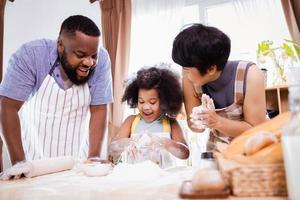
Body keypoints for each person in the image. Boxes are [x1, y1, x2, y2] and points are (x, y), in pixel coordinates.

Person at [0, 15, 113, 178]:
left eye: (93, 56)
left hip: (77, 160)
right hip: (33, 157)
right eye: (81, 54)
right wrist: (19, 163)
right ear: (60, 45)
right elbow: (8, 106)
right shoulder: (31, 55)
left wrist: (93, 156)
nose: (89, 62)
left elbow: (99, 109)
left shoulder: (101, 60)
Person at [172, 24, 266, 148]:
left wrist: (216, 121)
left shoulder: (250, 75)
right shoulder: (189, 79)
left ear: (211, 69)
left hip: (252, 148)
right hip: (217, 149)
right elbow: (196, 128)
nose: (184, 73)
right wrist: (199, 120)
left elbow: (255, 131)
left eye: (186, 68)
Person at [109, 67, 189, 168]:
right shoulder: (131, 121)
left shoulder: (171, 123)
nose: (146, 107)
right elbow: (112, 149)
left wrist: (165, 143)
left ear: (164, 101)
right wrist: (126, 143)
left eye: (152, 102)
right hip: (138, 179)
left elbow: (185, 154)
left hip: (163, 178)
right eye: (141, 101)